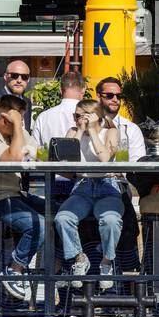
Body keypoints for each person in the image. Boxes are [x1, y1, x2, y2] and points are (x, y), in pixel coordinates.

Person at [53, 99, 126, 291]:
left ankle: (106, 263)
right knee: (62, 218)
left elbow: (104, 159)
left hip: (107, 185)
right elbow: (66, 160)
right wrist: (79, 131)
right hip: (82, 186)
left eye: (80, 116)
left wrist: (93, 130)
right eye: (75, 116)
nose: (77, 120)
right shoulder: (72, 132)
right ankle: (79, 258)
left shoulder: (110, 132)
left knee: (110, 220)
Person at [0, 95, 45, 300]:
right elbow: (14, 159)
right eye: (20, 119)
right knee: (39, 226)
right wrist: (18, 125)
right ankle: (15, 270)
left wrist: (19, 128)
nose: (23, 124)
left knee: (62, 213)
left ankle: (56, 271)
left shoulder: (17, 133)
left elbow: (42, 154)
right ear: (5, 119)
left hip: (15, 194)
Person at [94, 76, 145, 161]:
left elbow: (137, 162)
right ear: (98, 97)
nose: (115, 99)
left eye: (119, 96)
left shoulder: (131, 129)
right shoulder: (91, 124)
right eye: (109, 95)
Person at [32, 71, 87, 149]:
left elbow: (35, 148)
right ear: (84, 90)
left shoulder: (43, 116)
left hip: (51, 160)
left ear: (60, 90)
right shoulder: (91, 115)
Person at [0, 60, 33, 131]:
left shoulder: (27, 102)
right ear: (5, 77)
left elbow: (26, 132)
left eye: (24, 77)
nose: (19, 80)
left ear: (28, 80)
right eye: (14, 75)